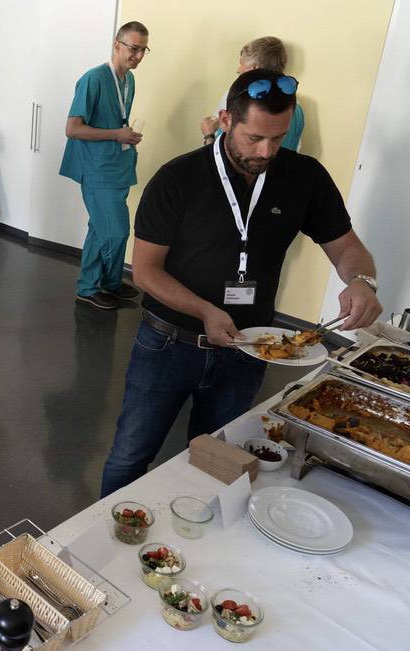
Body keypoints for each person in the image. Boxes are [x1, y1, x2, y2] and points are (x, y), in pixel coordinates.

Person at [100, 70, 382, 497]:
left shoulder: (304, 177)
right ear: (226, 120)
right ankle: (102, 535)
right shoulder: (178, 178)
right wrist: (204, 310)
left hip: (248, 349)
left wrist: (361, 280)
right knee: (131, 454)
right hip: (169, 344)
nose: (266, 151)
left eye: (278, 138)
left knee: (219, 455)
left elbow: (346, 247)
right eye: (255, 138)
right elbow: (146, 271)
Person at [60, 21, 149, 311]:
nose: (138, 56)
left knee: (100, 229)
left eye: (143, 50)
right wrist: (116, 135)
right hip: (97, 169)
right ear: (117, 45)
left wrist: (126, 136)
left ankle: (101, 285)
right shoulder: (94, 79)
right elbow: (73, 129)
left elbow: (117, 120)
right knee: (115, 231)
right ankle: (93, 286)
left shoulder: (129, 80)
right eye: (134, 48)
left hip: (118, 164)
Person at [201, 36, 304, 151]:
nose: (238, 69)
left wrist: (209, 135)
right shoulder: (296, 107)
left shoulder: (238, 97)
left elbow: (221, 157)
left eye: (241, 63)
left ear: (254, 68)